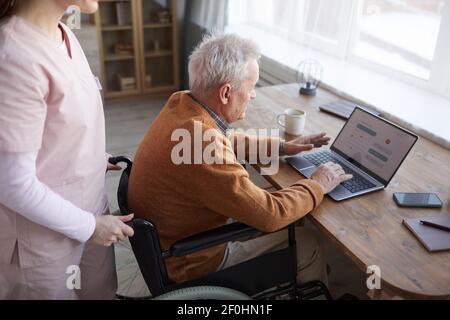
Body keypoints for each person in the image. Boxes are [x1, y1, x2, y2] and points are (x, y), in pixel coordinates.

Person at [128, 33, 352, 286]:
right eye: (251, 87)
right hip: (192, 262)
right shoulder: (203, 143)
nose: (253, 95)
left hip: (171, 237)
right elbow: (271, 214)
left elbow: (224, 140)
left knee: (284, 199)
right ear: (226, 93)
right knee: (309, 243)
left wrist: (282, 146)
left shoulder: (182, 104)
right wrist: (318, 185)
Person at [0, 0, 134, 299]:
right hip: (44, 240)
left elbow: (57, 127)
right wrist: (90, 227)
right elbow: (12, 184)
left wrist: (94, 158)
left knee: (100, 293)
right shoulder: (13, 56)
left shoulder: (64, 35)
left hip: (91, 209)